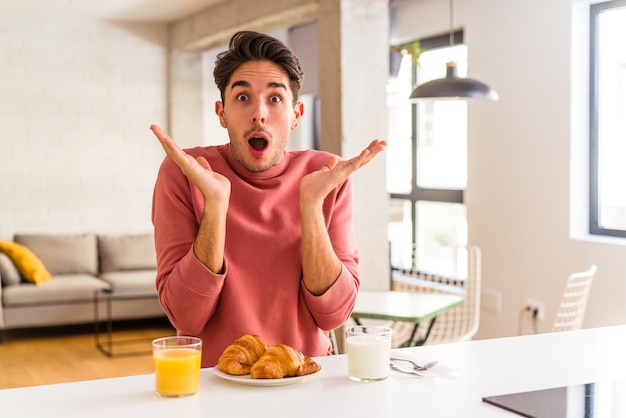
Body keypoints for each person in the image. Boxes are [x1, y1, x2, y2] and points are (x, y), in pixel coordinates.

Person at [150, 30, 387, 368]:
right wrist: (216, 207)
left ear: (296, 114)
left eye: (275, 99)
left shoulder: (325, 175)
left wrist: (311, 207)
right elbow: (186, 316)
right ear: (221, 112)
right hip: (214, 383)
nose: (258, 114)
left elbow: (333, 314)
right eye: (243, 98)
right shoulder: (187, 173)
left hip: (305, 377)